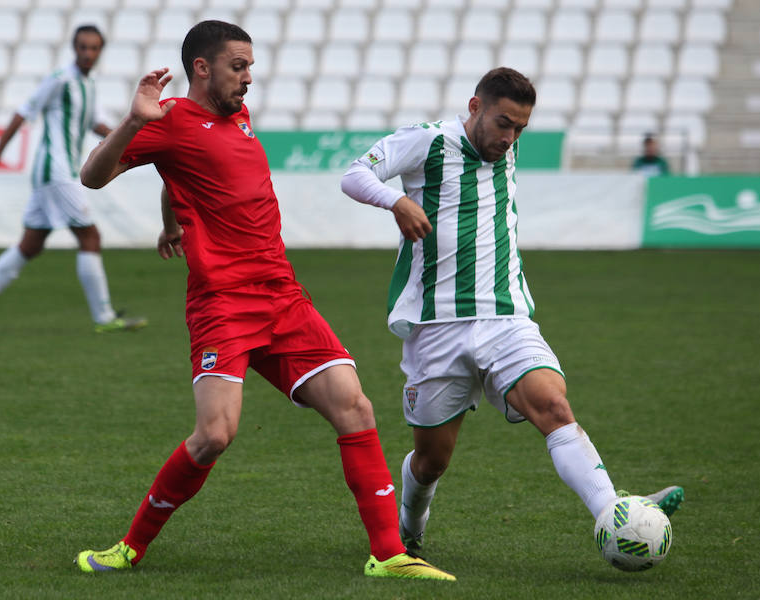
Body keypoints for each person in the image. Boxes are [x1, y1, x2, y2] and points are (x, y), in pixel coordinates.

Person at [73, 20, 455, 581]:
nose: (249, 78)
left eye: (250, 66)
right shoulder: (170, 118)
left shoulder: (239, 117)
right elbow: (91, 177)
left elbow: (178, 175)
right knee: (214, 436)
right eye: (238, 66)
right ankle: (128, 547)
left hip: (282, 297)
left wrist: (171, 223)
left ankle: (388, 555)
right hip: (222, 305)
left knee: (355, 407)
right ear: (201, 68)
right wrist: (134, 120)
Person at [340, 67, 684, 560]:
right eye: (503, 123)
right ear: (474, 107)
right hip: (435, 327)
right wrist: (396, 200)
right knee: (431, 461)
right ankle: (409, 528)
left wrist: (507, 133)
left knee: (553, 406)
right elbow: (353, 174)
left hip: (506, 317)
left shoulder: (504, 145)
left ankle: (614, 512)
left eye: (520, 128)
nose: (510, 137)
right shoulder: (427, 141)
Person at [0, 25, 147, 333]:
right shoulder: (60, 80)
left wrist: (135, 142)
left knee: (30, 245)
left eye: (93, 48)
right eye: (82, 47)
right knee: (90, 237)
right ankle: (104, 318)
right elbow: (23, 112)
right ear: (74, 48)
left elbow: (98, 125)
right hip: (57, 172)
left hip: (56, 173)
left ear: (100, 51)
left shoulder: (89, 84)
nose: (87, 53)